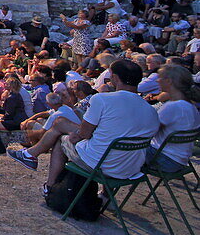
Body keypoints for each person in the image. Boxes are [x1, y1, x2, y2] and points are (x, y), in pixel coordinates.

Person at [45, 59, 159, 190]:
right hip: (130, 169)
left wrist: (74, 137)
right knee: (110, 146)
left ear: (115, 78)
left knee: (61, 140)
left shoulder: (102, 99)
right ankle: (105, 196)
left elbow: (84, 134)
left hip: (100, 165)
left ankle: (50, 187)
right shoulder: (151, 110)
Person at [147, 64, 200, 172]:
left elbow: (148, 130)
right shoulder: (191, 106)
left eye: (160, 78)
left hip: (163, 160)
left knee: (114, 149)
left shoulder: (173, 106)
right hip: (180, 160)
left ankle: (109, 184)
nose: (157, 81)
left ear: (169, 81)